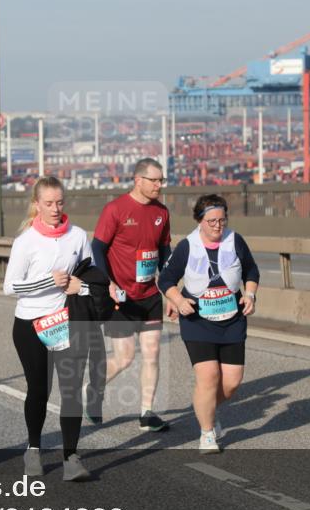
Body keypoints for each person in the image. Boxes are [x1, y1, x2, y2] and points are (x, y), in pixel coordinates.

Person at [4, 176, 94, 482]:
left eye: (60, 202)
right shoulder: (26, 241)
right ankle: (33, 449)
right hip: (30, 325)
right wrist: (47, 281)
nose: (55, 208)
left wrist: (82, 287)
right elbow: (9, 286)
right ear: (36, 204)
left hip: (65, 322)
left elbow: (92, 276)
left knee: (71, 390)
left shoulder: (77, 236)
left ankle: (71, 458)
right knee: (39, 390)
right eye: (49, 203)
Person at [158, 194, 259, 454]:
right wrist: (178, 300)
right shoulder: (187, 246)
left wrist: (249, 294)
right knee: (208, 376)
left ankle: (208, 410)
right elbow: (166, 279)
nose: (218, 226)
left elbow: (251, 270)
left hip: (232, 319)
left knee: (232, 383)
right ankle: (207, 432)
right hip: (197, 320)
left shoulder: (235, 240)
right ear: (199, 221)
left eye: (222, 220)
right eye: (212, 221)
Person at [89, 158, 174, 431]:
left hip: (149, 294)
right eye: (154, 180)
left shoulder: (162, 212)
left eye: (161, 180)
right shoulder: (115, 209)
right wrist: (108, 284)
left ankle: (146, 413)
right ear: (138, 180)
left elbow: (165, 252)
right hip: (121, 296)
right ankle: (94, 389)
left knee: (152, 353)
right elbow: (97, 249)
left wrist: (171, 291)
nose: (159, 185)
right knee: (125, 358)